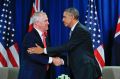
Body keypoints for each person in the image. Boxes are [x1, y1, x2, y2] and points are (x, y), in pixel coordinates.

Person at [27, 8, 102, 79]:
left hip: (85, 70)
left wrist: (43, 50)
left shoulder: (80, 30)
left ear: (72, 17)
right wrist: (62, 61)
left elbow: (67, 47)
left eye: (64, 17)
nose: (62, 20)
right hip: (80, 69)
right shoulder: (75, 30)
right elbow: (75, 52)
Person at [18, 12, 64, 79]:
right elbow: (34, 56)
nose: (48, 23)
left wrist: (64, 58)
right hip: (31, 76)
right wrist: (52, 60)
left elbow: (47, 52)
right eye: (46, 21)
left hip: (44, 75)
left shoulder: (45, 37)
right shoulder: (30, 37)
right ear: (37, 23)